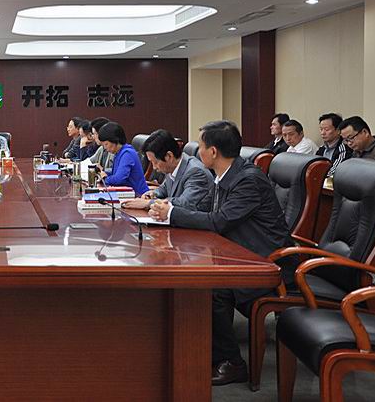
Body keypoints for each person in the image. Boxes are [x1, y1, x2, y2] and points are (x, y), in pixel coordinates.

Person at [149, 120, 291, 386]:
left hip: (268, 263)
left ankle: (232, 362)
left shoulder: (248, 180)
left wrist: (172, 213)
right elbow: (211, 213)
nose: (197, 151)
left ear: (213, 151)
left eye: (201, 146)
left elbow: (220, 221)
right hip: (241, 253)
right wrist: (170, 211)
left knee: (212, 288)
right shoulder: (225, 175)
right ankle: (204, 349)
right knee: (197, 276)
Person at [122, 129, 213, 212]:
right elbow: (164, 189)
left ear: (169, 156)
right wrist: (152, 194)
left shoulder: (196, 172)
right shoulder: (172, 167)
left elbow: (184, 204)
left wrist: (148, 203)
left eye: (155, 162)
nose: (154, 167)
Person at [96, 122, 149, 195]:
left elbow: (119, 179)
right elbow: (116, 173)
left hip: (138, 195)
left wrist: (105, 178)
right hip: (126, 193)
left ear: (115, 140)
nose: (104, 148)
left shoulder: (127, 153)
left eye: (106, 144)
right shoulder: (118, 153)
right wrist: (103, 172)